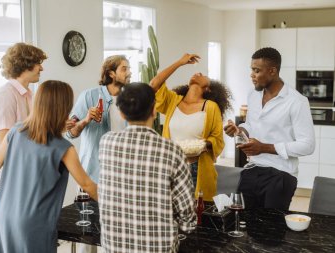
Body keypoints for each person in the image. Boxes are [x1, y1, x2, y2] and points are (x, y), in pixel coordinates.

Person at [0, 80, 98, 253]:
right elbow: (87, 185)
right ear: (63, 108)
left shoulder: (15, 132)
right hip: (34, 224)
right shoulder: (64, 148)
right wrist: (116, 204)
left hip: (5, 215)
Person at [99, 83, 196, 253]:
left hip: (114, 246)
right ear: (154, 110)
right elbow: (187, 216)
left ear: (121, 113)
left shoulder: (107, 142)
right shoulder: (171, 150)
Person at [224, 47, 315, 210]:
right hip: (252, 170)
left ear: (272, 71)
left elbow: (308, 145)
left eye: (256, 70)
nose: (252, 75)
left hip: (281, 175)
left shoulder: (297, 101)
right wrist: (240, 131)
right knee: (244, 224)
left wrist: (264, 148)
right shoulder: (253, 95)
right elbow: (252, 125)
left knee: (271, 231)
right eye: (251, 70)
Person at [67, 55, 131, 253]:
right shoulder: (89, 96)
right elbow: (71, 132)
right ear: (111, 73)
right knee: (88, 234)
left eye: (128, 69)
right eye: (124, 69)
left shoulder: (130, 99)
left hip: (121, 177)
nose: (129, 73)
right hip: (91, 175)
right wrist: (86, 120)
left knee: (114, 234)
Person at [150, 53, 232, 201]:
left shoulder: (211, 107)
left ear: (208, 88)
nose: (198, 73)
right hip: (171, 167)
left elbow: (218, 140)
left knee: (197, 214)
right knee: (170, 211)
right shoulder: (172, 101)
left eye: (204, 75)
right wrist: (179, 62)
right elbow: (154, 84)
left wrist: (200, 145)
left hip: (197, 169)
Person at [0, 42, 47, 190]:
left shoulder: (29, 96)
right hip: (9, 182)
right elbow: (6, 144)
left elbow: (30, 133)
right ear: (25, 64)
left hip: (25, 177)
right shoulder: (5, 96)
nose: (41, 68)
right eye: (37, 63)